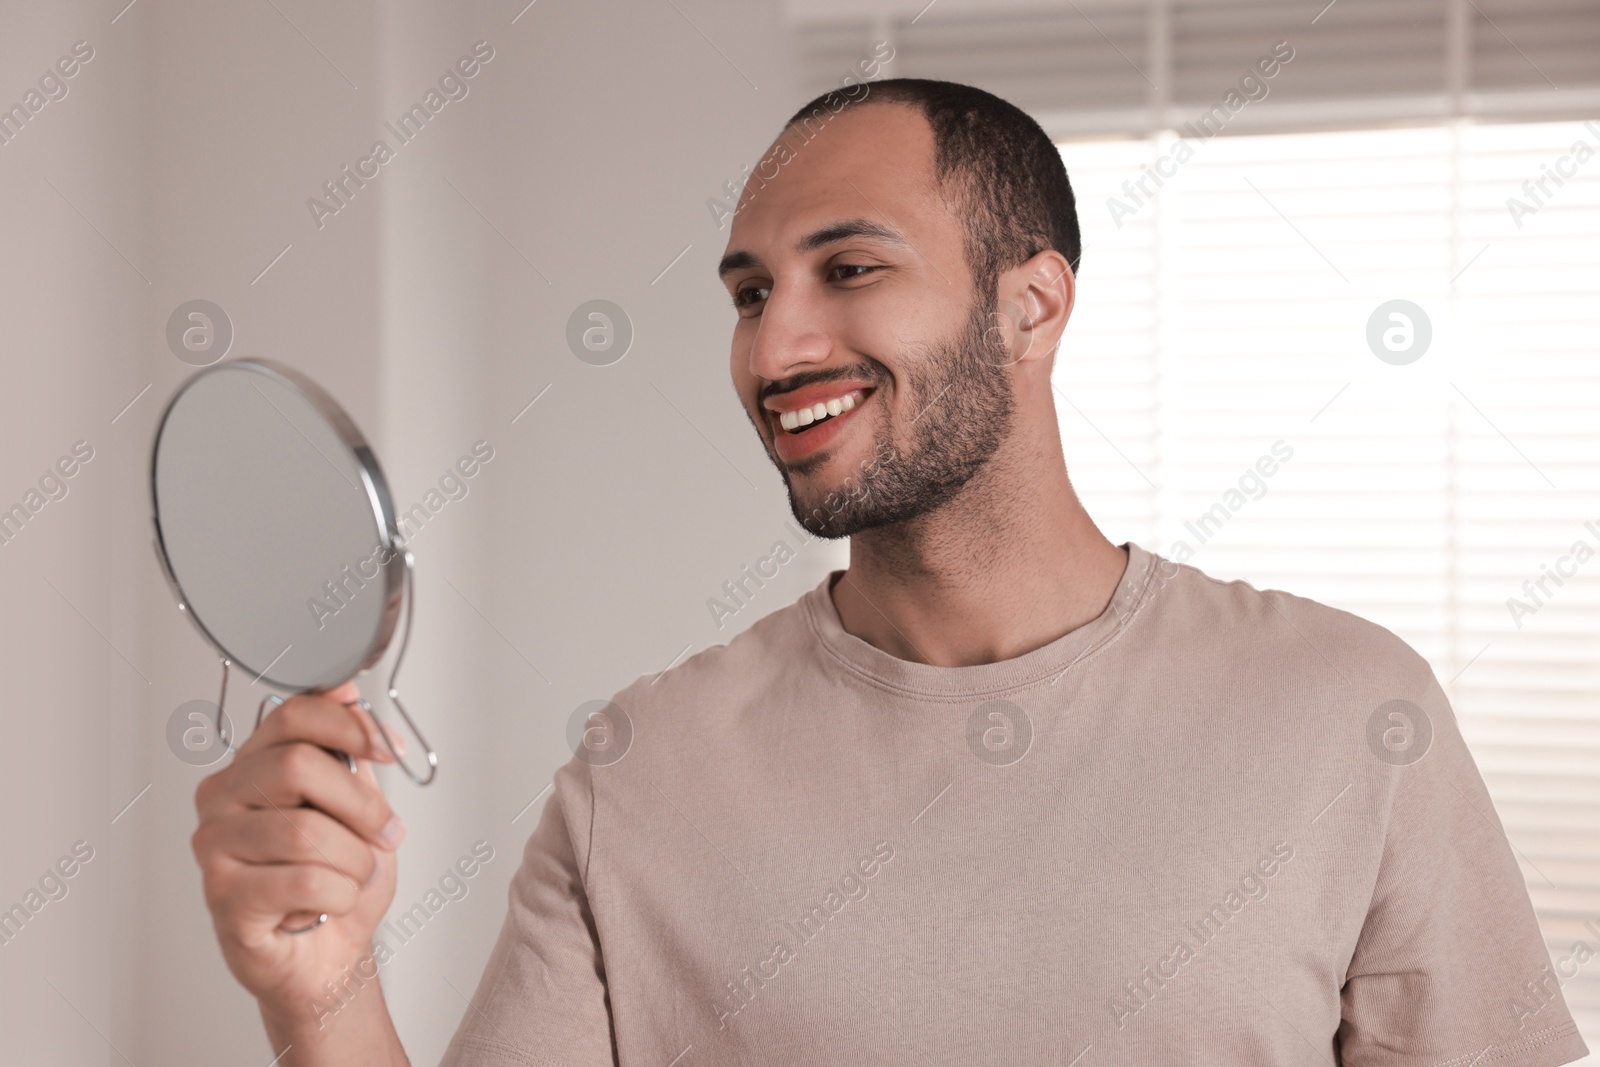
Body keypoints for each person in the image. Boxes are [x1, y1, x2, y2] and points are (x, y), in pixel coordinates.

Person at [190, 78, 1589, 1066]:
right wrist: (320, 997)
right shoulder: (641, 772)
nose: (774, 346)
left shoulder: (1351, 714)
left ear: (1029, 305)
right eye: (748, 294)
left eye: (849, 269)